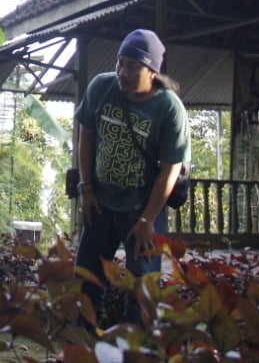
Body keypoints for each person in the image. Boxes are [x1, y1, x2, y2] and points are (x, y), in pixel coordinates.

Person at [73, 28, 190, 327]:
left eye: (132, 66)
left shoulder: (168, 108)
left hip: (142, 209)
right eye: (120, 63)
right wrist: (86, 188)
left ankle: (135, 347)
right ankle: (84, 343)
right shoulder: (102, 87)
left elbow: (170, 169)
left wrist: (147, 220)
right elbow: (86, 136)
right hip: (100, 203)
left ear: (152, 71)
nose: (122, 73)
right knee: (86, 279)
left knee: (142, 290)